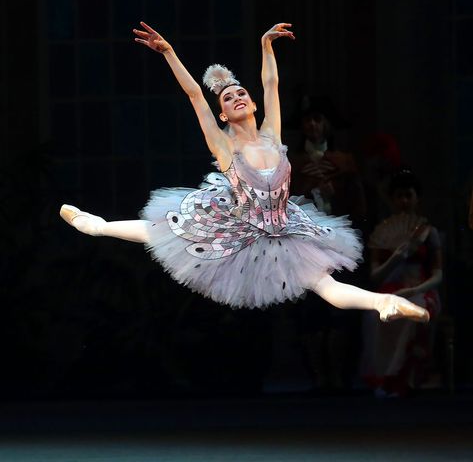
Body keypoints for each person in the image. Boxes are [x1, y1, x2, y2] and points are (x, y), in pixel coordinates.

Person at [59, 21, 428, 322]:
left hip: (284, 227)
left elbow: (272, 84)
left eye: (240, 94)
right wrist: (169, 53)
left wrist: (266, 46)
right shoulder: (224, 146)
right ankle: (97, 226)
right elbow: (193, 96)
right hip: (240, 224)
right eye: (228, 98)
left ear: (251, 103)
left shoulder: (272, 135)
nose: (236, 97)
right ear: (223, 114)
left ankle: (382, 304)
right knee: (168, 229)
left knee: (326, 286)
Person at [360, 169, 442, 396]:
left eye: (409, 195)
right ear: (392, 199)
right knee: (374, 317)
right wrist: (395, 258)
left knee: (411, 314)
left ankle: (404, 379)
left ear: (417, 198)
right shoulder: (382, 233)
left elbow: (438, 274)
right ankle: (383, 378)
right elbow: (375, 276)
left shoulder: (428, 232)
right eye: (399, 196)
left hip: (422, 289)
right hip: (391, 288)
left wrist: (416, 288)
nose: (404, 201)